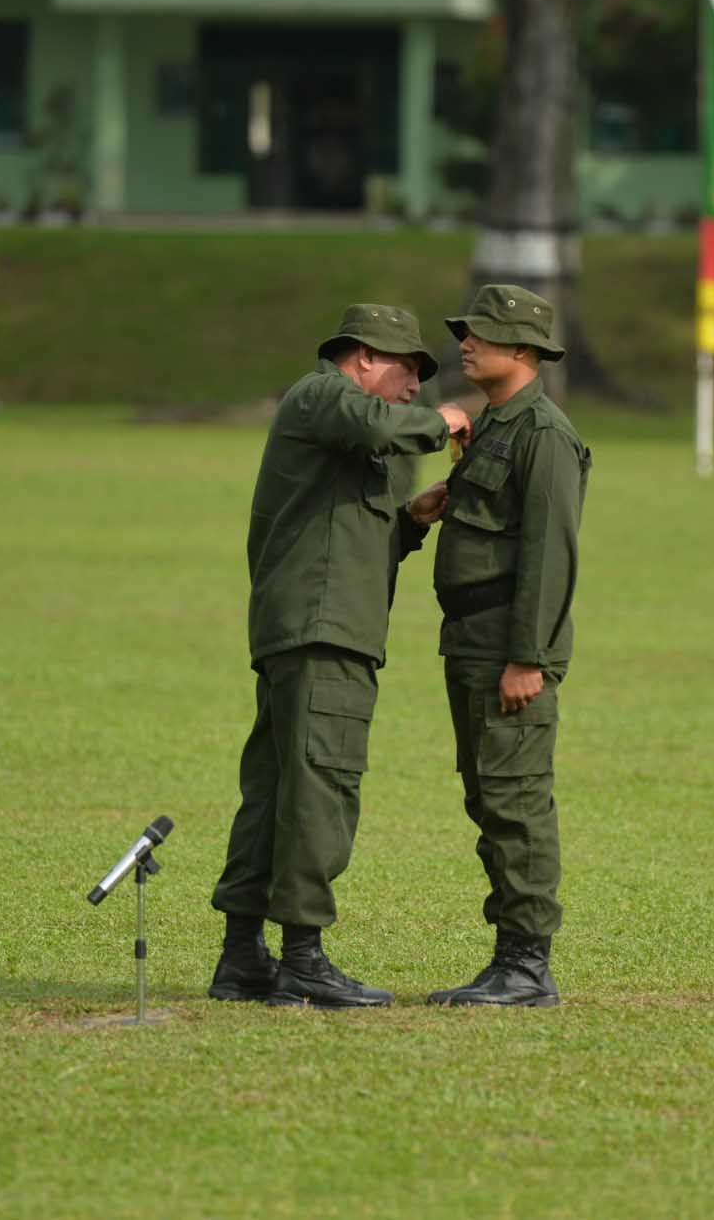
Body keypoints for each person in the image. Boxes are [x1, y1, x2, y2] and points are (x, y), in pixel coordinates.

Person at [209, 303, 472, 1009]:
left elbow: (349, 540)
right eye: (408, 369)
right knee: (323, 784)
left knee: (277, 787)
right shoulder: (324, 394)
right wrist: (445, 422)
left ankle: (242, 956)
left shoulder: (348, 437)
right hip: (322, 631)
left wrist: (410, 522)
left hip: (313, 625)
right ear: (362, 358)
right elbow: (385, 425)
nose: (416, 386)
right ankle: (302, 957)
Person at [426, 285, 590, 1009]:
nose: (466, 343)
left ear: (522, 351)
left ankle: (526, 966)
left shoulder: (543, 435)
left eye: (482, 335)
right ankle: (508, 959)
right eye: (465, 332)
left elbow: (550, 556)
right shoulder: (495, 426)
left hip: (506, 649)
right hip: (470, 642)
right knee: (488, 795)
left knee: (516, 800)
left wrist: (529, 656)